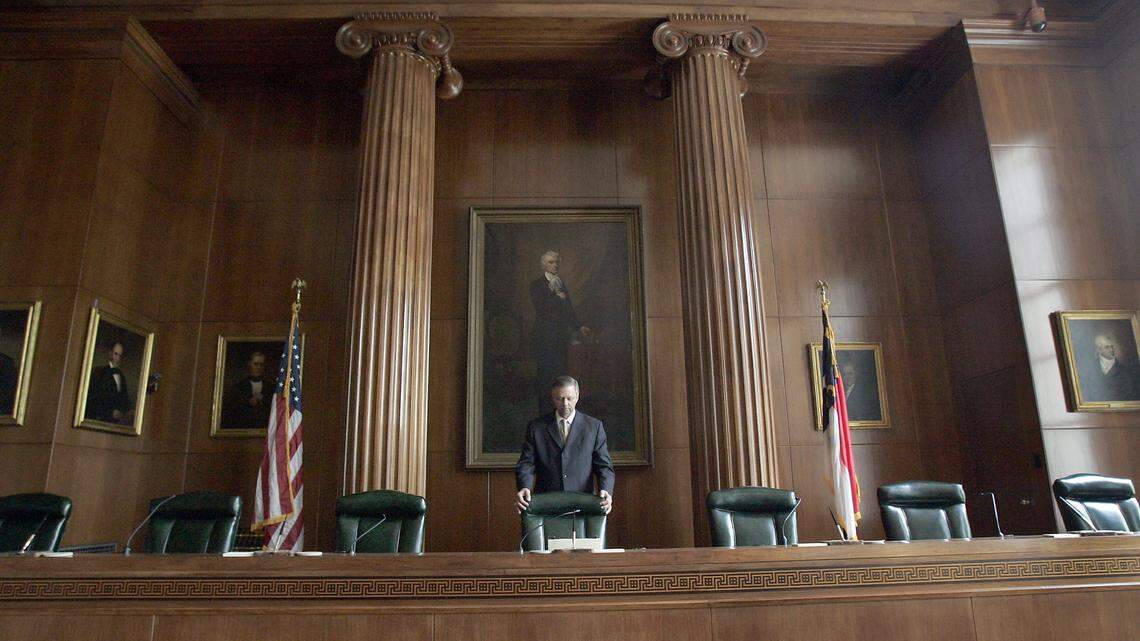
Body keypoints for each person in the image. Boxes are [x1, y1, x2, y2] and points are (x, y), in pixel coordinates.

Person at [515, 376, 614, 514]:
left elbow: (604, 466)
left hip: (582, 503)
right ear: (552, 397)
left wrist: (606, 490)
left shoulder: (594, 427)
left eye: (569, 398)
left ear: (577, 396)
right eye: (559, 399)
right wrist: (524, 486)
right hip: (546, 503)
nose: (565, 403)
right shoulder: (536, 427)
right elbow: (526, 463)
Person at [529, 250, 591, 412]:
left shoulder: (560, 283)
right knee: (545, 373)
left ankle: (559, 408)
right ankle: (544, 409)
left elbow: (569, 309)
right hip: (544, 336)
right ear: (544, 265)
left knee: (560, 372)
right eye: (551, 262)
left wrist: (579, 326)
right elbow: (541, 309)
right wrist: (557, 297)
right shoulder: (536, 285)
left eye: (557, 262)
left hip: (560, 336)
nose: (555, 265)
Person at [223, 350, 275, 428]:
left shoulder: (271, 388)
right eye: (256, 364)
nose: (259, 367)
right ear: (249, 365)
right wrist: (248, 403)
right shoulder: (238, 387)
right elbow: (231, 411)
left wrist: (264, 401)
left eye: (261, 365)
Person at [86, 342, 133, 424]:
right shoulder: (100, 372)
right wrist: (110, 413)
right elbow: (94, 399)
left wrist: (128, 411)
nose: (118, 358)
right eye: (116, 354)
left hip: (116, 423)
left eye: (120, 356)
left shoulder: (122, 376)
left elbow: (124, 397)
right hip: (101, 419)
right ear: (110, 354)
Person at [1084, 333, 1140, 402]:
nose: (1111, 350)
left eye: (1112, 346)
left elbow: (1127, 394)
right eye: (1107, 347)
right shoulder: (1090, 368)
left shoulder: (1124, 371)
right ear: (1098, 350)